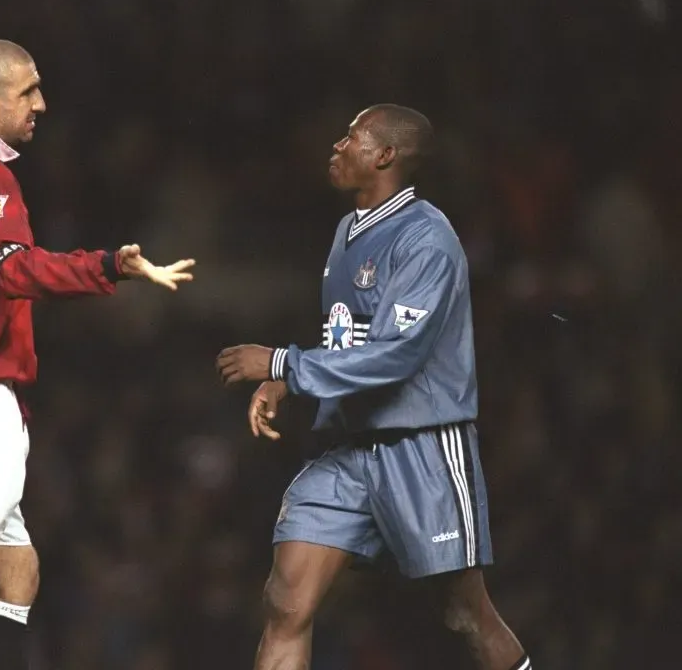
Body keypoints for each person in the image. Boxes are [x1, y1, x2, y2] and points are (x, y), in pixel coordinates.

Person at [0, 37, 195, 670]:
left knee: (15, 573)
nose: (42, 104)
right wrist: (109, 266)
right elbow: (12, 268)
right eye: (28, 91)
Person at [216, 104, 531, 670]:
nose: (337, 146)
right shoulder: (348, 230)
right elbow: (350, 336)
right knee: (286, 603)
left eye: (351, 137)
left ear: (384, 155)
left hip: (423, 448)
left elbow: (395, 353)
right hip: (349, 449)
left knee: (466, 616)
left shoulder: (427, 237)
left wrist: (285, 364)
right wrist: (292, 385)